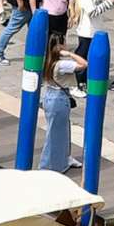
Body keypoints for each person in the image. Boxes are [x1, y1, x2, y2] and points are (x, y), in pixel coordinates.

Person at [38, 43, 80, 175]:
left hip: (50, 96)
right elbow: (84, 64)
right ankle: (47, 165)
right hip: (59, 99)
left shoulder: (48, 62)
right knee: (54, 133)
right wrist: (71, 55)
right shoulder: (61, 65)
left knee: (62, 130)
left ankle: (63, 159)